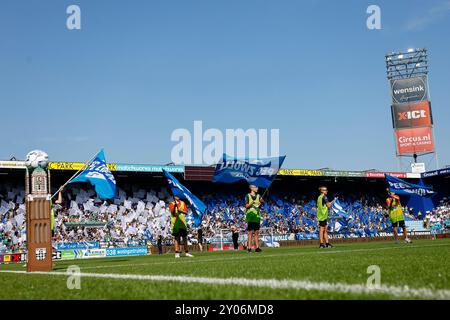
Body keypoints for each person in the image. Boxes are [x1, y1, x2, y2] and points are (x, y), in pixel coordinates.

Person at [245, 184, 263, 253]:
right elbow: (246, 206)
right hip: (250, 216)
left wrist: (261, 202)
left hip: (257, 216)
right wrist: (252, 202)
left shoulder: (258, 196)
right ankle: (249, 248)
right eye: (256, 187)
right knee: (250, 233)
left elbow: (261, 203)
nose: (257, 188)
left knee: (256, 232)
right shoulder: (248, 195)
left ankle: (257, 248)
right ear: (251, 188)